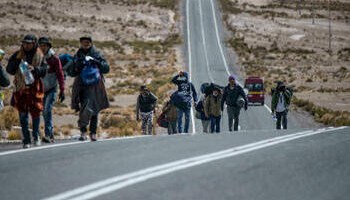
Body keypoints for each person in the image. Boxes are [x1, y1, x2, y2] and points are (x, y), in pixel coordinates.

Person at [6, 34, 47, 148]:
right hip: (21, 88)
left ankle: (36, 135)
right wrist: (17, 61)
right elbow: (9, 70)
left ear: (34, 44)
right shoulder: (17, 54)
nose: (26, 45)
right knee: (23, 115)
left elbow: (45, 70)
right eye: (24, 43)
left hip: (35, 88)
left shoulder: (40, 55)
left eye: (29, 43)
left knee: (35, 113)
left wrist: (35, 69)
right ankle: (26, 140)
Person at [70, 36, 110, 141]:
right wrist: (78, 63)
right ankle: (83, 131)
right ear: (80, 43)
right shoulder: (78, 55)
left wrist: (96, 61)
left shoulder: (96, 54)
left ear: (91, 43)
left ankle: (93, 133)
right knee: (84, 108)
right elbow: (72, 71)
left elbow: (106, 68)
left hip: (95, 86)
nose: (85, 44)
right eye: (83, 42)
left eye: (87, 42)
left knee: (95, 109)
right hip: (82, 86)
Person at [38, 37, 65, 143]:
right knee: (43, 112)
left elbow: (60, 74)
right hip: (40, 89)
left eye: (44, 45)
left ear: (48, 46)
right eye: (40, 45)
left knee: (47, 110)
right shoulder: (37, 58)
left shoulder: (54, 59)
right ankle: (51, 134)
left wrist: (62, 90)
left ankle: (48, 135)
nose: (42, 47)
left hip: (52, 88)